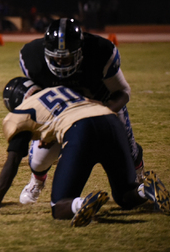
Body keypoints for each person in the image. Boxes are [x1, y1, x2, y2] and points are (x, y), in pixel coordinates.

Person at [0, 77, 170, 227]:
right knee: (125, 196)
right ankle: (145, 189)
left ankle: (81, 204)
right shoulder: (63, 90)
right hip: (111, 121)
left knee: (59, 206)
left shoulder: (20, 113)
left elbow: (12, 163)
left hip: (82, 130)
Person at [16, 17, 144, 205]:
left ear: (80, 52)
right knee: (39, 159)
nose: (60, 63)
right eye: (56, 58)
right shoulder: (32, 57)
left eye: (66, 57)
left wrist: (101, 111)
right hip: (61, 114)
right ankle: (37, 180)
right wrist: (44, 128)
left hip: (103, 106)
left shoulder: (100, 52)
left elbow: (123, 93)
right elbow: (38, 100)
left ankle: (139, 173)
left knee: (128, 149)